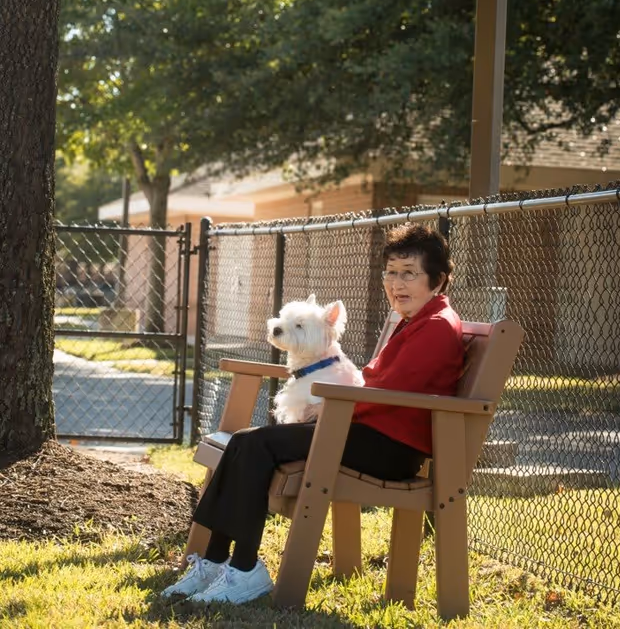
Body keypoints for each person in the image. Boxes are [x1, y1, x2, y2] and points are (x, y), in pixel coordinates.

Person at [162, 222, 463, 606]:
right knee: (244, 443)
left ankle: (242, 569)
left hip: (386, 447)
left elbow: (390, 394)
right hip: (363, 431)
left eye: (409, 274)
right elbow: (377, 382)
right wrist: (334, 404)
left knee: (255, 445)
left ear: (437, 281)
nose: (396, 284)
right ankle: (217, 561)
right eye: (391, 273)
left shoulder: (436, 327)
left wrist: (331, 406)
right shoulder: (417, 320)